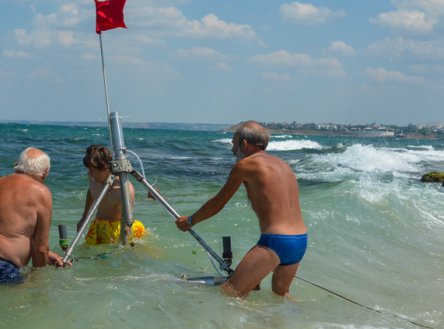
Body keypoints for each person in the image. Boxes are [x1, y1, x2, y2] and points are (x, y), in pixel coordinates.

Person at [175, 121, 307, 298]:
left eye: (233, 144)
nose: (232, 149)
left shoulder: (245, 165)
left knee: (230, 294)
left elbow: (218, 203)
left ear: (243, 144)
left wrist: (190, 221)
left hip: (275, 241)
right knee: (280, 295)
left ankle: (248, 326)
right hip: (300, 240)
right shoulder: (284, 165)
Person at [0, 147, 68, 286]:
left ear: (17, 165)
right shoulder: (41, 191)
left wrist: (47, 255)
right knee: (24, 305)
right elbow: (40, 249)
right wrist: (39, 285)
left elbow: (6, 232)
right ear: (45, 173)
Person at [76, 144, 145, 245]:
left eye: (92, 170)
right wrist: (84, 217)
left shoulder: (122, 189)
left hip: (117, 228)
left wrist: (124, 233)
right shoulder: (93, 178)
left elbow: (127, 217)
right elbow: (91, 191)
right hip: (98, 224)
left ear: (106, 168)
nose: (89, 173)